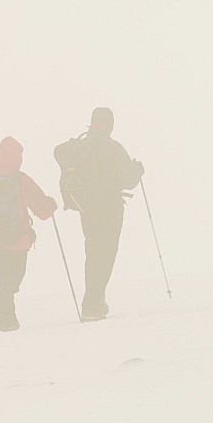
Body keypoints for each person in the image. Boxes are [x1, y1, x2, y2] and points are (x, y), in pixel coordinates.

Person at [0, 136, 57, 333]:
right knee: (11, 282)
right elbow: (43, 211)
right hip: (17, 241)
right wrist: (52, 206)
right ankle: (0, 320)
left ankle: (4, 319)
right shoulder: (21, 180)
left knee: (3, 281)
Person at [64, 107, 144, 321]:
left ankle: (93, 301)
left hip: (87, 208)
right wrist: (138, 170)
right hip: (109, 208)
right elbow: (129, 180)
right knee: (106, 253)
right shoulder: (113, 147)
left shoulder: (81, 147)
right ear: (110, 125)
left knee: (92, 252)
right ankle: (93, 303)